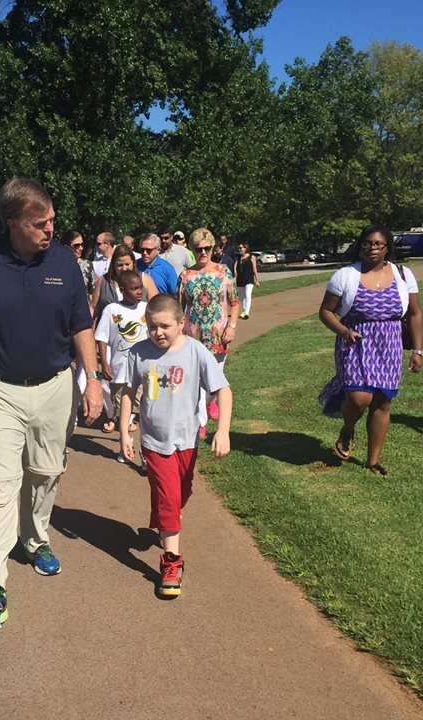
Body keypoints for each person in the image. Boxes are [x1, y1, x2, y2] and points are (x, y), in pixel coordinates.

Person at [0, 178, 101, 636]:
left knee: (47, 472)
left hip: (54, 385)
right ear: (12, 224)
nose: (51, 229)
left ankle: (35, 538)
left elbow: (80, 323)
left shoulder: (65, 262)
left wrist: (93, 381)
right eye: (39, 223)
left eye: (52, 220)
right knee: (0, 484)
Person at [118, 294, 233, 598]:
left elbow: (223, 390)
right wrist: (124, 433)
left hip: (187, 440)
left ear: (182, 323)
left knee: (181, 492)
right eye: (152, 326)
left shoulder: (196, 352)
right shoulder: (139, 353)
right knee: (169, 496)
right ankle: (172, 562)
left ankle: (165, 518)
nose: (158, 333)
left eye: (165, 326)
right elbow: (129, 392)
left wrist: (223, 431)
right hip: (154, 441)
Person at [318, 225, 423, 476]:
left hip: (390, 343)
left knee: (382, 401)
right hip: (355, 341)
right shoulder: (345, 275)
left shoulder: (403, 274)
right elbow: (325, 311)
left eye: (378, 244)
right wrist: (343, 331)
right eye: (367, 244)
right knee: (359, 397)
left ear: (387, 247)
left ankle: (372, 461)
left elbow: (415, 313)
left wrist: (418, 350)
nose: (372, 249)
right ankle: (348, 428)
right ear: (360, 246)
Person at [94, 270, 148, 444]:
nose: (139, 291)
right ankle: (124, 444)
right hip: (120, 371)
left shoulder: (146, 308)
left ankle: (144, 447)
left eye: (140, 287)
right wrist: (105, 363)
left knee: (143, 410)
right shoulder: (112, 310)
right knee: (121, 409)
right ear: (122, 289)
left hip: (143, 371)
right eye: (134, 288)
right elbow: (101, 338)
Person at [180, 229, 240, 361]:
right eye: (198, 249)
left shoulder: (223, 271)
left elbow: (235, 303)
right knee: (195, 380)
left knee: (217, 379)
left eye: (207, 248)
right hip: (192, 338)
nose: (203, 253)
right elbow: (178, 308)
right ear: (192, 249)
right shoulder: (185, 276)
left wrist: (232, 327)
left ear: (212, 248)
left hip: (218, 338)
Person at [93, 244, 158, 325]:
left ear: (133, 263)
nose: (124, 268)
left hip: (140, 331)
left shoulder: (145, 279)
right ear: (113, 265)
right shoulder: (103, 281)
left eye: (127, 264)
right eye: (120, 265)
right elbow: (94, 308)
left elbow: (156, 306)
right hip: (110, 332)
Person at [62, 229, 95, 300]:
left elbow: (91, 292)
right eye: (77, 245)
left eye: (82, 244)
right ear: (66, 247)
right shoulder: (58, 266)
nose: (81, 248)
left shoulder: (88, 265)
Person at [233, 242, 260, 319]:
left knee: (247, 295)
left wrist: (257, 280)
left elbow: (254, 269)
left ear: (245, 248)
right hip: (240, 279)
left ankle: (246, 312)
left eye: (241, 248)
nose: (239, 249)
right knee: (241, 297)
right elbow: (235, 269)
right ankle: (244, 310)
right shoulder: (238, 258)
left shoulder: (251, 257)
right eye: (238, 248)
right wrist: (235, 276)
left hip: (249, 279)